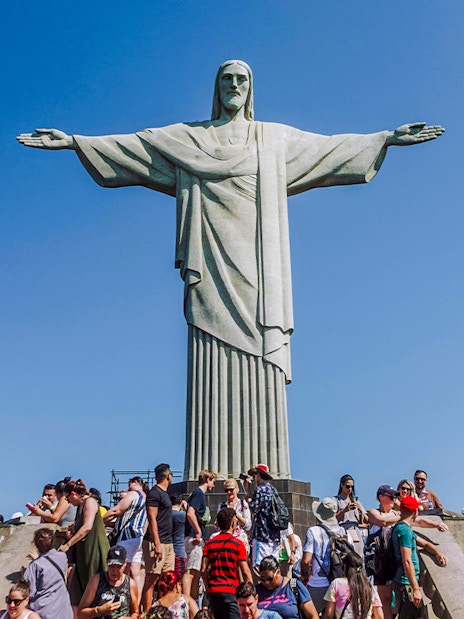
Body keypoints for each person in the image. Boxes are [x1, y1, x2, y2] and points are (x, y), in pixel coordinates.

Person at [17, 61, 445, 482]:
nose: (234, 85)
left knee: (262, 347)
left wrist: (385, 138)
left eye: (242, 79)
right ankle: (209, 465)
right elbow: (136, 147)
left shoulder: (273, 139)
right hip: (210, 262)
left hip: (260, 266)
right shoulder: (189, 139)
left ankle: (268, 469)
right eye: (227, 79)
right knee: (209, 349)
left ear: (251, 88)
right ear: (216, 87)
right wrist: (75, 142)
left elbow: (329, 148)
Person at [367, 484, 447, 619]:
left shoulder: (398, 516)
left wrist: (436, 524)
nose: (394, 498)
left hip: (394, 562)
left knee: (396, 602)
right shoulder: (373, 512)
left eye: (395, 496)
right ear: (381, 497)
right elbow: (383, 522)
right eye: (391, 496)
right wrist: (405, 515)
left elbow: (418, 521)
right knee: (385, 600)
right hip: (381, 562)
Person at [391, 496, 447, 619]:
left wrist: (437, 553)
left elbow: (425, 544)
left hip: (407, 583)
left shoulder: (403, 529)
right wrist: (416, 589)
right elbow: (407, 561)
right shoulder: (404, 530)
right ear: (415, 511)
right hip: (406, 584)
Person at [58, 479, 110, 607]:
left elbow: (87, 526)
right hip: (85, 552)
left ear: (73, 494)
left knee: (95, 585)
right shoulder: (81, 506)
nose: (68, 502)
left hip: (95, 550)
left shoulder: (90, 502)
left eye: (68, 498)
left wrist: (68, 544)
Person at [300, 497, 353, 615]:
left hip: (318, 583)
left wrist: (303, 576)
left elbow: (306, 561)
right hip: (340, 584)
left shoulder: (313, 531)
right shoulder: (344, 532)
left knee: (305, 614)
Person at [201, 507, 252, 619]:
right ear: (233, 522)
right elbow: (245, 572)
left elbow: (203, 569)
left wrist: (208, 584)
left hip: (214, 592)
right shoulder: (238, 545)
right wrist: (251, 592)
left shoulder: (209, 544)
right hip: (231, 591)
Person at [103, 476, 147, 606]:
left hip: (127, 536)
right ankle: (136, 605)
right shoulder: (146, 498)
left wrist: (98, 521)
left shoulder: (134, 494)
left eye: (129, 485)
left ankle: (121, 601)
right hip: (139, 536)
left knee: (121, 568)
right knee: (136, 572)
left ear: (135, 483)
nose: (128, 489)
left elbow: (117, 510)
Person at [142, 464, 175, 611]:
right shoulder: (154, 493)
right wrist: (157, 542)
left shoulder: (164, 493)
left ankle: (164, 610)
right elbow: (151, 518)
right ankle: (148, 613)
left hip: (168, 541)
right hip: (157, 541)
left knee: (168, 580)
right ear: (168, 476)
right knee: (151, 580)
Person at [182, 470, 217, 600]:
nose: (214, 484)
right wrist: (198, 531)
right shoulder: (198, 494)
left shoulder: (196, 494)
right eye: (213, 481)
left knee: (195, 572)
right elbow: (190, 513)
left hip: (192, 536)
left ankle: (193, 603)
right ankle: (186, 602)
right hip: (194, 537)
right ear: (207, 479)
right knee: (191, 571)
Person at [77, 546, 138, 619]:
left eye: (119, 567)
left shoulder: (130, 584)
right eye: (111, 566)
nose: (115, 571)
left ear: (125, 563)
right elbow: (80, 614)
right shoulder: (96, 580)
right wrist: (99, 610)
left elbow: (135, 613)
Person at [24, 528, 73, 619]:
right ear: (53, 541)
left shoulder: (34, 565)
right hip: (63, 610)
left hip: (43, 610)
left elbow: (30, 591)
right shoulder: (62, 557)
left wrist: (24, 576)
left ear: (36, 544)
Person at [324, 551, 383, 619]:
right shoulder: (369, 588)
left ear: (345, 567)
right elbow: (380, 616)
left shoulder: (336, 584)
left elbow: (329, 615)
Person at [244, 464, 281, 568]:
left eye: (254, 475)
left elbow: (255, 508)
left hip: (262, 534)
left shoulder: (260, 489)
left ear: (258, 475)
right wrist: (248, 491)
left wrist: (249, 501)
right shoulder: (272, 489)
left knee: (260, 567)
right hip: (274, 535)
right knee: (272, 568)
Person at [335, 475, 368, 557]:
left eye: (352, 487)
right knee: (346, 556)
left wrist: (360, 510)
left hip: (356, 530)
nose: (350, 489)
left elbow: (367, 520)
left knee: (359, 555)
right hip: (343, 530)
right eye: (347, 486)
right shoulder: (336, 500)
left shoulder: (355, 500)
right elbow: (333, 519)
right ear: (341, 485)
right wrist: (345, 510)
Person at [218, 479, 252, 553]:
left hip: (240, 540)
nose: (229, 492)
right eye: (226, 490)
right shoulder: (222, 506)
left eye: (231, 489)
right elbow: (217, 527)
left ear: (237, 489)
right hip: (225, 541)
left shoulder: (243, 504)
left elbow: (248, 526)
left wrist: (235, 514)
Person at [171, 494, 187, 579]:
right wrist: (187, 508)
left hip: (167, 551)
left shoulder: (164, 515)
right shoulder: (182, 516)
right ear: (181, 503)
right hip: (179, 551)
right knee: (180, 579)